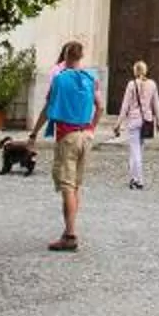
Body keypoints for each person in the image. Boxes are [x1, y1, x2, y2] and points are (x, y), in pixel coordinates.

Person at [37, 39, 98, 251]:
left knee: (67, 186)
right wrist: (92, 128)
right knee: (75, 186)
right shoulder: (91, 78)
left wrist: (34, 133)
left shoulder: (60, 80)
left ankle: (71, 235)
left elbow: (48, 107)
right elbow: (100, 106)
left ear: (65, 56)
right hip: (85, 136)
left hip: (67, 136)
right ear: (80, 56)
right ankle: (68, 229)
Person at [116, 59, 159, 190]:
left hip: (134, 119)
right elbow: (156, 105)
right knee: (138, 149)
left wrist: (118, 123)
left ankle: (138, 179)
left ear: (135, 71)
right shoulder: (152, 84)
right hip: (146, 120)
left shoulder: (131, 85)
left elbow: (125, 105)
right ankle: (133, 178)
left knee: (134, 149)